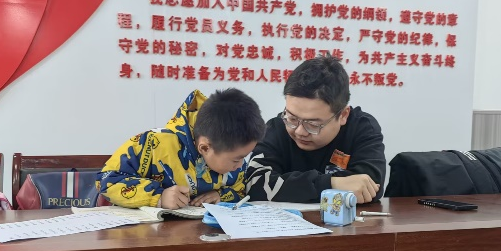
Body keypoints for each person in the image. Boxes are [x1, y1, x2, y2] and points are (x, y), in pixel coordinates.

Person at [246, 54, 386, 204]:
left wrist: (293, 187)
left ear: (343, 115)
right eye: (292, 118)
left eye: (312, 124)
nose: (299, 131)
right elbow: (255, 184)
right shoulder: (276, 128)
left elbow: (368, 187)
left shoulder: (362, 128)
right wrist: (331, 184)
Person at [98, 88, 266, 209]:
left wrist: (221, 196)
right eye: (236, 160)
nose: (241, 165)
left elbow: (240, 189)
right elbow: (106, 180)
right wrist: (158, 197)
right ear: (205, 148)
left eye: (244, 157)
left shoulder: (233, 151)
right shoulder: (152, 144)